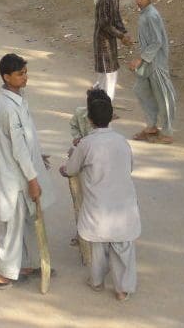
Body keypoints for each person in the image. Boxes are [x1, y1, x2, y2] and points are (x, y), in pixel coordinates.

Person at [60, 97, 140, 301]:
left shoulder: (86, 144)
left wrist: (64, 168)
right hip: (123, 205)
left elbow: (71, 169)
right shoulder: (122, 141)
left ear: (89, 119)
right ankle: (122, 290)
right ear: (112, 116)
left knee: (99, 245)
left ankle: (96, 281)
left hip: (98, 207)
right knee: (123, 246)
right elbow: (130, 167)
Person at [0, 53, 55, 289]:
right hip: (15, 178)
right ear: (6, 77)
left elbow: (26, 139)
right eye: (20, 74)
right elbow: (18, 149)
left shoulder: (18, 98)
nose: (25, 77)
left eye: (25, 72)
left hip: (24, 172)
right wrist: (33, 179)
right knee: (14, 224)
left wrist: (38, 158)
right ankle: (1, 273)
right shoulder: (7, 107)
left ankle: (26, 264)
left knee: (28, 219)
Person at [128, 0, 176, 144]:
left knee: (163, 96)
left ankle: (168, 131)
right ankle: (151, 126)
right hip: (147, 61)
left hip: (157, 62)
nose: (139, 1)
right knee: (141, 90)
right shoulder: (144, 14)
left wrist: (139, 59)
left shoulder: (152, 15)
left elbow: (157, 42)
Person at [67, 88, 111, 247]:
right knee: (81, 199)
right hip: (83, 160)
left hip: (97, 164)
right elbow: (73, 126)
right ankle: (80, 233)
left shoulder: (104, 119)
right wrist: (77, 138)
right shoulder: (80, 113)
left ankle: (101, 233)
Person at [93, 0, 133, 102]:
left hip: (110, 43)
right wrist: (121, 36)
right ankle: (103, 108)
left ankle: (99, 105)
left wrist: (125, 33)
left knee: (109, 76)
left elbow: (117, 20)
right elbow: (105, 24)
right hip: (103, 44)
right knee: (107, 77)